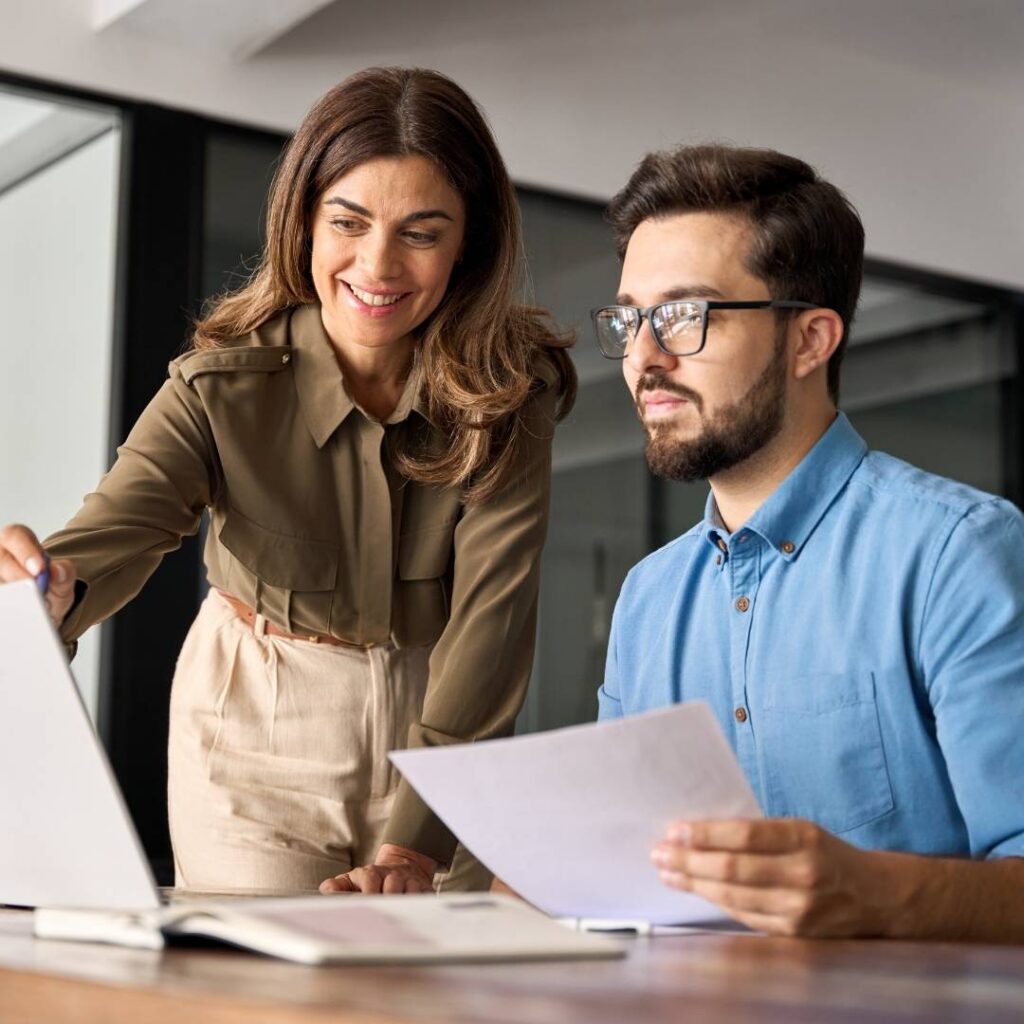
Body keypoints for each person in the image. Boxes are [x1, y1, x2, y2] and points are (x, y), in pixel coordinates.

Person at [0, 66, 574, 895]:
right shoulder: (221, 386)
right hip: (256, 723)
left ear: (467, 244)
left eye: (422, 232)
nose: (378, 265)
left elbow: (494, 618)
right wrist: (43, 590)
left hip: (447, 724)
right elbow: (114, 533)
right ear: (303, 219)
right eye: (348, 221)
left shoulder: (512, 393)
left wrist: (416, 839)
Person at [593, 144, 1024, 941]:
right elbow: (618, 872)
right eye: (630, 319)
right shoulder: (647, 601)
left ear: (810, 341)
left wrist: (877, 893)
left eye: (684, 317)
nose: (642, 359)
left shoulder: (957, 554)